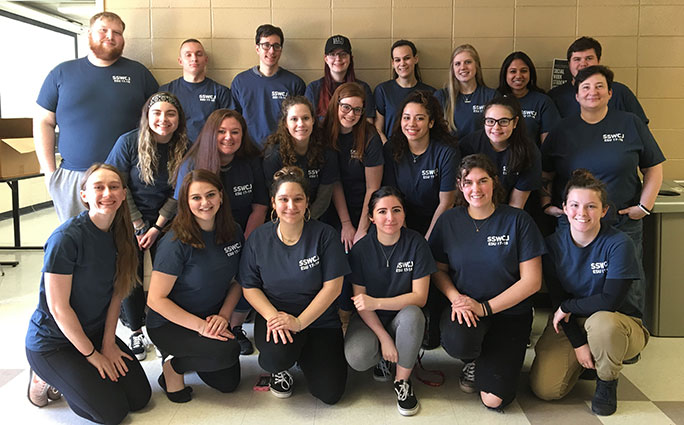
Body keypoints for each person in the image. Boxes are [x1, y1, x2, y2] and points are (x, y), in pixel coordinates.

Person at [25, 163, 150, 424]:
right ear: (84, 195)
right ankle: (43, 375)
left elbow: (118, 294)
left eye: (114, 187)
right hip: (54, 343)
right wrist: (92, 357)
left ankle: (79, 377)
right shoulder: (66, 239)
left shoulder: (122, 234)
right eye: (98, 187)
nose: (108, 193)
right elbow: (59, 308)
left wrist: (107, 344)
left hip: (92, 334)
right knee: (112, 413)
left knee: (140, 398)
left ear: (123, 193)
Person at [541, 65, 665, 315]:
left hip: (622, 222)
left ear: (610, 93)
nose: (592, 92)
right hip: (575, 223)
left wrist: (644, 207)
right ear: (576, 96)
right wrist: (546, 204)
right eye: (585, 87)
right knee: (574, 280)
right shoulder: (562, 130)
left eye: (599, 86)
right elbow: (546, 174)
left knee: (627, 287)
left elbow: (653, 168)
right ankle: (574, 335)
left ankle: (627, 338)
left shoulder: (630, 123)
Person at [429, 154, 545, 411]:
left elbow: (532, 281)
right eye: (468, 182)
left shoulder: (517, 220)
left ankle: (494, 357)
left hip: (510, 313)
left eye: (482, 181)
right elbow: (438, 270)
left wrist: (485, 308)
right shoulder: (449, 221)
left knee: (494, 400)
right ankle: (472, 358)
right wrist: (455, 299)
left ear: (494, 182)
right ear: (460, 186)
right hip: (466, 310)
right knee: (459, 341)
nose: (476, 189)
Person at [529, 169, 649, 416]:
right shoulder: (553, 245)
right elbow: (558, 303)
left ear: (604, 211)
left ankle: (607, 381)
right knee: (546, 389)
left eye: (591, 207)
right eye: (574, 205)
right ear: (564, 207)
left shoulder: (619, 244)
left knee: (602, 323)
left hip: (618, 322)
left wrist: (568, 308)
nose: (582, 213)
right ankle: (586, 361)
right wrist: (578, 342)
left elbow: (610, 300)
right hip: (572, 322)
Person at [239, 166, 351, 404]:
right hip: (278, 317)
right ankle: (283, 368)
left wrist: (299, 322)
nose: (291, 206)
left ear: (307, 202)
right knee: (275, 358)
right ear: (273, 202)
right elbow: (249, 287)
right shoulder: (258, 238)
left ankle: (305, 354)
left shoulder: (325, 235)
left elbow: (333, 288)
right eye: (284, 199)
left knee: (330, 394)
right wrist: (273, 317)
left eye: (298, 199)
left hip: (320, 321)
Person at [34, 11, 158, 222]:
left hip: (127, 177)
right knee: (76, 244)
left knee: (124, 245)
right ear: (90, 34)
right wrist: (50, 174)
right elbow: (43, 122)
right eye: (103, 30)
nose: (110, 36)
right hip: (73, 176)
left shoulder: (138, 73)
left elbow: (158, 119)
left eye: (117, 32)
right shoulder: (62, 73)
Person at [175, 108, 269, 354]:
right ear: (210, 134)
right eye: (222, 132)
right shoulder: (192, 164)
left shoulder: (251, 162)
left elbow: (260, 206)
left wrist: (247, 243)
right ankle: (202, 325)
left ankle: (235, 328)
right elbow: (183, 209)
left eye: (235, 132)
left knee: (247, 270)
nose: (229, 137)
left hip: (245, 233)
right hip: (203, 234)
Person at [147, 170, 244, 403]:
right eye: (196, 198)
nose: (205, 203)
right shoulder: (175, 242)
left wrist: (223, 315)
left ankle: (191, 354)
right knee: (228, 350)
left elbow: (239, 281)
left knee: (228, 383)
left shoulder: (234, 231)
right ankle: (174, 366)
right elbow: (155, 300)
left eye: (210, 195)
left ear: (221, 196)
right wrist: (201, 328)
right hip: (170, 324)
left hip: (210, 316)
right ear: (186, 202)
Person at [106, 92, 189, 360]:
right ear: (147, 116)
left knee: (170, 273)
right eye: (157, 113)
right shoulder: (128, 142)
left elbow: (181, 191)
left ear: (178, 119)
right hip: (130, 217)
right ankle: (136, 331)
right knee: (131, 274)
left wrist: (157, 227)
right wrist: (139, 224)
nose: (163, 119)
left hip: (169, 220)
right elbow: (116, 182)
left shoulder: (186, 147)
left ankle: (168, 328)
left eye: (170, 114)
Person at [344, 186, 436, 416]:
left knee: (414, 314)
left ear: (404, 214)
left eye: (396, 210)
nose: (390, 218)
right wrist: (383, 337)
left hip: (403, 316)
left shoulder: (417, 244)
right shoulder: (361, 250)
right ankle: (382, 358)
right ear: (371, 217)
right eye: (382, 211)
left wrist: (377, 302)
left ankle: (402, 381)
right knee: (357, 356)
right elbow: (361, 303)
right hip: (369, 319)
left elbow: (420, 297)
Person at [382, 90, 459, 239]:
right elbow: (391, 196)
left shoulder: (447, 152)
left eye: (419, 118)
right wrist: (405, 237)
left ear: (431, 122)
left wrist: (427, 240)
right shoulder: (391, 149)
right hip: (401, 222)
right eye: (406, 118)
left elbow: (447, 202)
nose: (411, 124)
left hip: (439, 221)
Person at [323, 82, 384, 249]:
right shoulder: (323, 133)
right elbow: (334, 181)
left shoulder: (370, 137)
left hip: (365, 206)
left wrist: (361, 229)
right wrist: (346, 223)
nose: (351, 114)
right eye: (346, 107)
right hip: (334, 207)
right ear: (336, 105)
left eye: (357, 110)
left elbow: (373, 188)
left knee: (363, 246)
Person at [263, 96, 339, 220]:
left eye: (306, 118)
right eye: (294, 119)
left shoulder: (327, 152)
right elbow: (274, 196)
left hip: (317, 217)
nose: (301, 124)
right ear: (285, 124)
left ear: (313, 120)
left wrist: (305, 220)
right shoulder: (273, 155)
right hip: (284, 217)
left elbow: (324, 198)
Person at [459, 96, 541, 209]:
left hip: (513, 214)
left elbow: (516, 205)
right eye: (490, 121)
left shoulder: (528, 150)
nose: (496, 127)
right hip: (476, 208)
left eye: (503, 121)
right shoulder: (468, 145)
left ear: (515, 122)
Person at [231, 24, 305, 148]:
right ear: (257, 48)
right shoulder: (240, 82)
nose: (271, 51)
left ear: (281, 49)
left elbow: (300, 122)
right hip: (248, 151)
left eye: (276, 46)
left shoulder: (294, 83)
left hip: (283, 151)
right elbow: (234, 120)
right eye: (266, 45)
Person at [548, 36, 648, 123]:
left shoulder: (621, 92)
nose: (583, 64)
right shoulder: (555, 96)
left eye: (589, 58)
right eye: (577, 59)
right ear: (569, 64)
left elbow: (640, 128)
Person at [159, 39, 234, 143]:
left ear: (206, 60)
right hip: (174, 152)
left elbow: (230, 126)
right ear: (180, 61)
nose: (194, 59)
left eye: (199, 54)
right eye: (188, 55)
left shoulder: (220, 92)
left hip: (208, 151)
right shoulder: (166, 91)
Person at [374, 40, 435, 143]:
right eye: (398, 60)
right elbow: (377, 129)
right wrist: (388, 148)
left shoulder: (430, 92)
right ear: (393, 63)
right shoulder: (383, 90)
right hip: (391, 152)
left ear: (415, 59)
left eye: (407, 58)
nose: (402, 63)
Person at [305, 35, 375, 122]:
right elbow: (307, 123)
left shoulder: (363, 88)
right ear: (326, 59)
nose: (338, 59)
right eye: (332, 54)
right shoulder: (314, 89)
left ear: (351, 58)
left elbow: (368, 124)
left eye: (343, 54)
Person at [496, 51, 560, 146]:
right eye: (513, 71)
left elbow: (549, 144)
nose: (518, 76)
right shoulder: (496, 100)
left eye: (524, 71)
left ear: (531, 73)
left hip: (531, 158)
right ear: (505, 74)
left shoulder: (542, 102)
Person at [434, 44, 496, 140]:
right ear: (453, 69)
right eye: (457, 64)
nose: (463, 67)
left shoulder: (491, 96)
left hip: (482, 153)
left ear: (477, 65)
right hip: (452, 153)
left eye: (468, 62)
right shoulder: (441, 97)